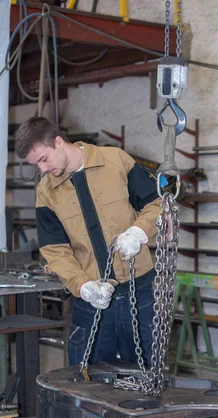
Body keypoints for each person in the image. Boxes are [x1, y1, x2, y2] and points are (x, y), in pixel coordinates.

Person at [15, 116, 162, 367]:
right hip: (91, 301)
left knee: (147, 374)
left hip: (140, 294)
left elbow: (157, 203)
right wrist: (83, 286)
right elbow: (54, 250)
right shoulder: (46, 192)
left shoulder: (115, 160)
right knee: (85, 384)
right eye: (35, 165)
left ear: (58, 142)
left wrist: (139, 231)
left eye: (43, 160)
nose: (42, 170)